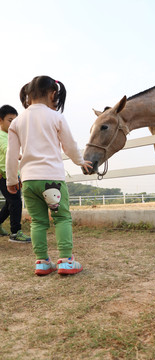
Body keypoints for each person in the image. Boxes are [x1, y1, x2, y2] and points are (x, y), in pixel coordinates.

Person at [6, 76, 92, 276]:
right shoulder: (56, 117)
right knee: (61, 217)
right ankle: (66, 261)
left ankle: (43, 262)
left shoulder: (17, 122)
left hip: (28, 181)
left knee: (38, 221)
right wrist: (80, 161)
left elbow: (11, 154)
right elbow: (69, 145)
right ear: (53, 94)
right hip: (52, 180)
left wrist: (11, 180)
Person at [0, 105, 31, 242]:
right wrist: (20, 156)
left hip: (12, 174)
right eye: (10, 120)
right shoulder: (2, 136)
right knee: (15, 202)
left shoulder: (11, 135)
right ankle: (15, 232)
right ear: (0, 121)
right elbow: (8, 150)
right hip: (4, 175)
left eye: (15, 120)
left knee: (10, 203)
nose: (13, 123)